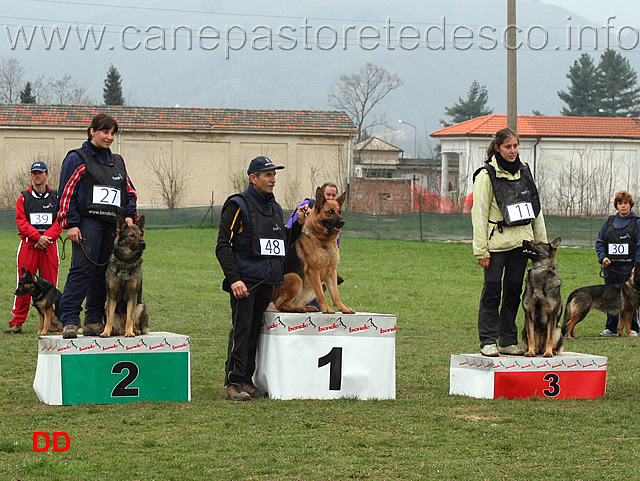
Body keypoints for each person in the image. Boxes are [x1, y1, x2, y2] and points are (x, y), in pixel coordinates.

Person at [216, 155, 305, 401]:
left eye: (274, 175)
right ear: (253, 178)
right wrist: (234, 279)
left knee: (255, 332)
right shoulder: (238, 205)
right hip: (244, 282)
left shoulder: (274, 207)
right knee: (242, 331)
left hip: (268, 281)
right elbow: (223, 245)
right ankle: (233, 382)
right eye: (268, 175)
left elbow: (280, 244)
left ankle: (247, 380)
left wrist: (297, 225)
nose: (273, 179)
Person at [56, 113, 139, 339]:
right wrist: (71, 224)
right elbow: (66, 194)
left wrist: (131, 215)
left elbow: (128, 191)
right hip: (87, 223)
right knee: (82, 270)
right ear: (92, 131)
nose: (109, 137)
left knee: (104, 273)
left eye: (113, 133)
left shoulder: (117, 161)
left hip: (112, 226)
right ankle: (70, 320)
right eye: (105, 132)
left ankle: (94, 319)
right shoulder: (77, 158)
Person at [471, 127, 548, 357]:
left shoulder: (525, 172)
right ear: (497, 148)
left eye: (515, 146)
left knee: (514, 292)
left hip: (521, 244)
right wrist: (481, 250)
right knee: (492, 291)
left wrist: (541, 243)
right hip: (495, 246)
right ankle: (487, 340)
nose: (513, 151)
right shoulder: (486, 175)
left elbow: (536, 210)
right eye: (508, 147)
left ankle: (507, 339)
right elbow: (479, 213)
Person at [5, 161, 62, 334]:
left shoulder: (56, 197)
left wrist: (47, 238)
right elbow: (21, 222)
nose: (37, 176)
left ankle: (52, 322)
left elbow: (60, 221)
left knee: (50, 285)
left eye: (40, 173)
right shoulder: (23, 197)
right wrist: (38, 237)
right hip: (29, 246)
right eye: (34, 173)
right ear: (31, 175)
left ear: (46, 175)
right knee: (23, 283)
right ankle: (17, 322)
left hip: (49, 246)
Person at [595, 190, 640, 337]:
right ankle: (611, 328)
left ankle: (633, 327)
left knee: (630, 300)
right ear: (617, 205)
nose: (623, 206)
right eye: (620, 203)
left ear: (630, 204)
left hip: (629, 269)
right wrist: (603, 258)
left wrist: (637, 265)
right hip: (611, 268)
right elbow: (600, 242)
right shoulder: (609, 222)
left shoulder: (637, 222)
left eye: (626, 203)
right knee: (611, 299)